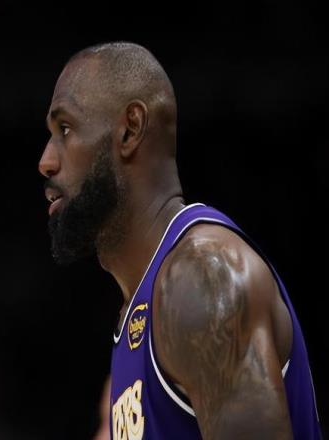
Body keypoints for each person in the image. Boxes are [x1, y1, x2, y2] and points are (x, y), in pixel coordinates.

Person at [38, 42, 322, 439]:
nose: (46, 161)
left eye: (65, 130)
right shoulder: (145, 304)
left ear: (130, 129)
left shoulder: (202, 279)